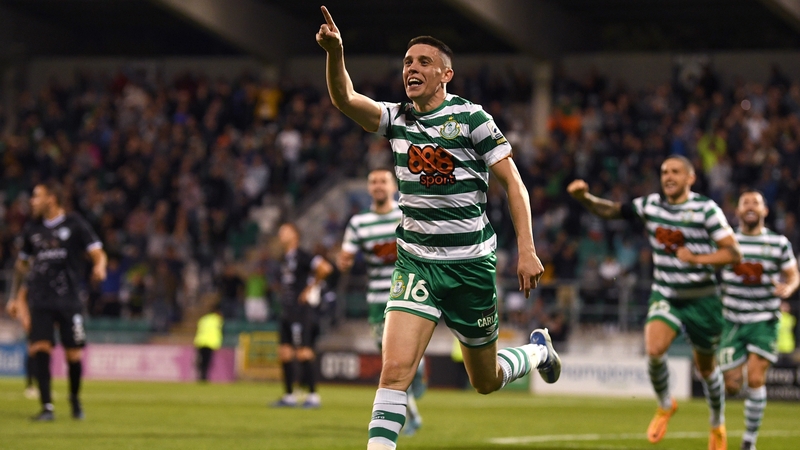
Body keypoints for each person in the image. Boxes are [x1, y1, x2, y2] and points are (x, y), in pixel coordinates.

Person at [316, 8, 561, 450]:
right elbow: (345, 99)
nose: (412, 68)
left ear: (446, 74)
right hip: (416, 263)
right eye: (407, 62)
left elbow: (513, 183)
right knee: (395, 371)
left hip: (470, 266)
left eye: (423, 62)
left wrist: (527, 249)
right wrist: (336, 53)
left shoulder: (472, 119)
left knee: (485, 380)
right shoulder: (397, 118)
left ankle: (538, 351)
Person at [567, 155, 741, 450]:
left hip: (702, 299)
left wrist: (697, 258)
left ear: (690, 178)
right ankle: (665, 404)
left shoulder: (706, 209)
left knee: (707, 369)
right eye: (664, 172)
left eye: (675, 172)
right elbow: (613, 211)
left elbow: (733, 253)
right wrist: (585, 198)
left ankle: (717, 424)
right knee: (654, 349)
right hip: (667, 293)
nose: (668, 177)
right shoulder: (650, 205)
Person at [5, 181, 107, 421]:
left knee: (74, 354)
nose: (32, 201)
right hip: (40, 299)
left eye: (36, 196)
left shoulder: (75, 224)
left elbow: (97, 252)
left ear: (51, 198)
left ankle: (74, 398)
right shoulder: (32, 229)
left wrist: (100, 266)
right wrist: (15, 297)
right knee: (40, 348)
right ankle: (47, 407)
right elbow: (22, 266)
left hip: (69, 299)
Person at [337, 168, 426, 436]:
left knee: (406, 357)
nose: (378, 185)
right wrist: (343, 262)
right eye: (373, 182)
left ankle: (419, 370)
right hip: (378, 300)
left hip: (408, 292)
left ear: (393, 186)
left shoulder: (405, 214)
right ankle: (413, 415)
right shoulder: (358, 223)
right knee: (392, 363)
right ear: (368, 188)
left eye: (383, 181)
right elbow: (345, 256)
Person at [718, 190, 799, 450]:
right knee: (732, 385)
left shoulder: (778, 243)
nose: (751, 206)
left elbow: (793, 274)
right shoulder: (727, 241)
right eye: (746, 203)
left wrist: (789, 287)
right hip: (732, 319)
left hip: (764, 319)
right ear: (738, 211)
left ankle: (749, 441)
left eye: (756, 203)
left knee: (755, 378)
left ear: (765, 210)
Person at [271, 223, 333, 408]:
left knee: (304, 352)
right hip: (286, 310)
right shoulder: (285, 258)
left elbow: (325, 268)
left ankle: (313, 396)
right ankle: (289, 395)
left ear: (295, 235)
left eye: (285, 232)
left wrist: (309, 289)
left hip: (300, 311)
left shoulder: (302, 255)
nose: (281, 235)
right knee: (285, 352)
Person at [194, 303, 224, 382]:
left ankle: (201, 376)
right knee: (207, 361)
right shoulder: (217, 319)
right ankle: (204, 377)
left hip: (201, 342)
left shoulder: (203, 319)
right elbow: (219, 331)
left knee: (202, 360)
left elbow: (199, 329)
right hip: (210, 343)